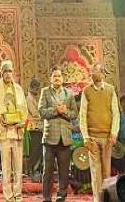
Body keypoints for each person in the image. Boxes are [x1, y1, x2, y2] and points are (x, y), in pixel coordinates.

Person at [79, 63, 120, 202]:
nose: (92, 73)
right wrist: (85, 137)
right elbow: (82, 115)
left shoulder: (110, 90)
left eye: (95, 71)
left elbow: (116, 113)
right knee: (95, 172)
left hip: (107, 137)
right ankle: (98, 199)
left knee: (106, 171)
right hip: (92, 138)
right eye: (91, 71)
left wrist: (114, 133)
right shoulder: (86, 91)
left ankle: (106, 199)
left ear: (102, 73)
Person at [39, 68, 78, 202]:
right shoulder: (45, 92)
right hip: (50, 138)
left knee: (64, 172)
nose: (57, 78)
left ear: (62, 78)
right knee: (47, 172)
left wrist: (65, 112)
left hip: (65, 138)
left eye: (59, 76)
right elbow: (42, 112)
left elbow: (75, 113)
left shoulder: (69, 94)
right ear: (51, 78)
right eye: (54, 76)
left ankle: (61, 197)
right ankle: (46, 198)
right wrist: (56, 110)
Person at [0, 60, 28, 202]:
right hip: (5, 133)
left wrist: (21, 121)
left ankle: (18, 195)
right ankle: (8, 196)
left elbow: (24, 110)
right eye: (5, 71)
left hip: (17, 132)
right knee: (6, 167)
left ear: (13, 73)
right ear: (2, 73)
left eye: (10, 71)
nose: (8, 74)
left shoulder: (18, 89)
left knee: (18, 166)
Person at [25, 78, 43, 179]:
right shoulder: (29, 99)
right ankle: (32, 171)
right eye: (37, 88)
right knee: (35, 151)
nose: (38, 90)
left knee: (38, 150)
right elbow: (35, 114)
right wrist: (45, 114)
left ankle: (35, 170)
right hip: (34, 128)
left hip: (39, 128)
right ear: (33, 88)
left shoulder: (35, 97)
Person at [114, 95, 125, 173]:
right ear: (120, 104)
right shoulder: (119, 116)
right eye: (123, 102)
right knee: (123, 161)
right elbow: (117, 129)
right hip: (122, 142)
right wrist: (116, 141)